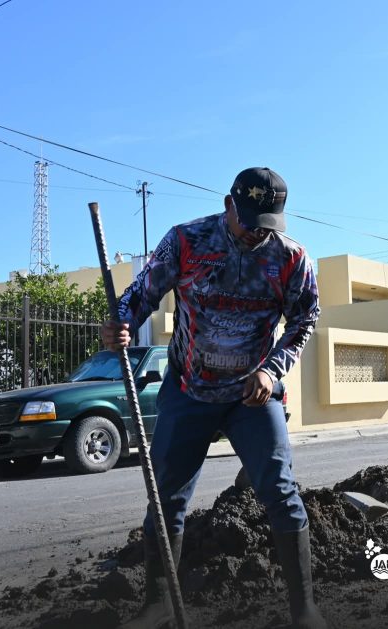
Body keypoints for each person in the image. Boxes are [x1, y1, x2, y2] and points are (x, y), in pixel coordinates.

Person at [103, 167, 325, 629]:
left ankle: (304, 610)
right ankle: (158, 604)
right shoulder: (186, 242)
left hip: (253, 395)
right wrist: (121, 321)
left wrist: (272, 370)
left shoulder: (290, 258)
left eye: (266, 224)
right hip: (190, 391)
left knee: (281, 493)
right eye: (248, 222)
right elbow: (140, 294)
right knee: (166, 498)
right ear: (229, 205)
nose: (255, 234)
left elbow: (304, 322)